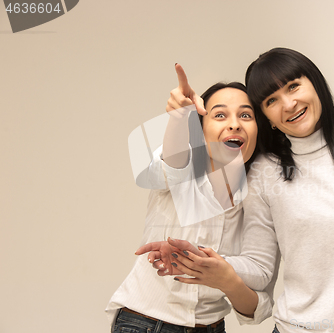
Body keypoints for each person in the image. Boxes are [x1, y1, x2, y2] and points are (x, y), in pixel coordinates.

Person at [149, 48, 334, 333]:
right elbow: (259, 266)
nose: (288, 104)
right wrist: (199, 258)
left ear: (315, 83)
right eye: (272, 100)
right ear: (267, 118)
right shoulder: (264, 171)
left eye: (293, 86)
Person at [106, 64, 271, 333]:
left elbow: (258, 287)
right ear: (201, 130)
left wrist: (215, 267)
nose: (234, 124)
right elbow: (171, 166)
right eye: (219, 115)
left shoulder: (260, 194)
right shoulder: (185, 163)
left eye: (245, 115)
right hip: (146, 323)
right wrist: (178, 118)